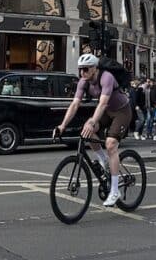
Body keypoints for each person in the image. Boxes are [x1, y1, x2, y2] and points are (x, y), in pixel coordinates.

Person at [54, 53, 133, 207]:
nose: (82, 73)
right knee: (87, 131)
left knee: (110, 144)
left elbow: (103, 103)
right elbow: (75, 104)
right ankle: (104, 160)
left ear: (95, 68)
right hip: (106, 113)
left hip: (122, 111)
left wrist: (93, 121)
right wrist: (62, 126)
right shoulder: (83, 82)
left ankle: (115, 190)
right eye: (80, 70)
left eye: (85, 69)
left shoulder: (106, 77)